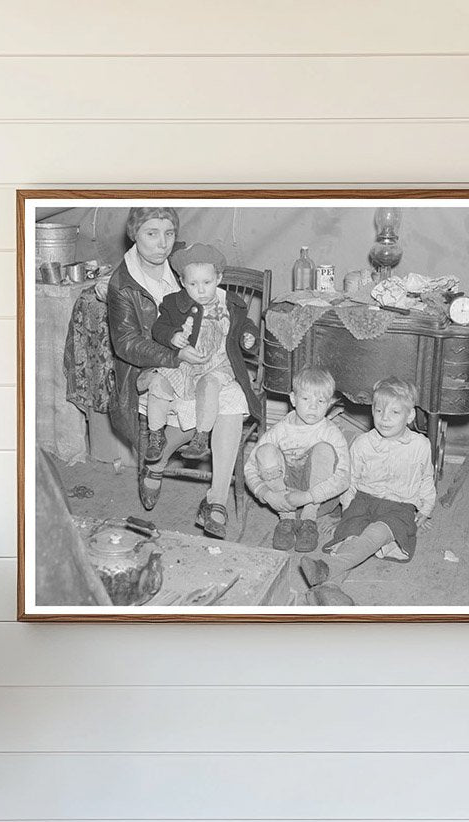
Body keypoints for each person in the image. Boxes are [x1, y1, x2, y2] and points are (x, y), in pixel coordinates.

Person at [106, 211, 261, 538]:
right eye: (151, 234)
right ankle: (158, 461)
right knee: (199, 401)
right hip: (150, 368)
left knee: (227, 398)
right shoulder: (123, 285)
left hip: (206, 364)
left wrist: (241, 335)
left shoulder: (186, 261)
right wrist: (175, 353)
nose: (162, 243)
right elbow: (127, 344)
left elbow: (226, 309)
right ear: (135, 234)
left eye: (168, 233)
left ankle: (216, 499)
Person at [299, 377, 436, 592]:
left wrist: (425, 509)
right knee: (350, 537)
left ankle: (327, 568)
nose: (384, 419)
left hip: (399, 506)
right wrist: (347, 512)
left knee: (375, 534)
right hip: (363, 501)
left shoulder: (420, 445)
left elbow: (426, 478)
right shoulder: (363, 444)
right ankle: (330, 591)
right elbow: (351, 480)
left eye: (394, 413)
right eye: (379, 411)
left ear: (409, 416)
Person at [144, 243, 257, 465]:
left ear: (219, 278)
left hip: (217, 365)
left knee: (209, 385)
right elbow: (159, 328)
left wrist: (248, 337)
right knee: (157, 383)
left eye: (207, 282)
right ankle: (155, 434)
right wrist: (172, 336)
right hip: (183, 365)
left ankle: (201, 437)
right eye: (193, 284)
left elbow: (246, 325)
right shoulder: (173, 303)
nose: (201, 290)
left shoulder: (231, 305)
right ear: (182, 282)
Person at [243, 367, 350, 553]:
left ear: (329, 404)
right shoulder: (280, 429)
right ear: (293, 399)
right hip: (283, 497)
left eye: (321, 400)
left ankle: (309, 522)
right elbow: (250, 468)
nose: (313, 406)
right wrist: (268, 494)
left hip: (318, 499)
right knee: (265, 450)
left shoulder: (330, 432)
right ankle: (286, 519)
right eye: (306, 399)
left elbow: (344, 478)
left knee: (324, 449)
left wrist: (309, 497)